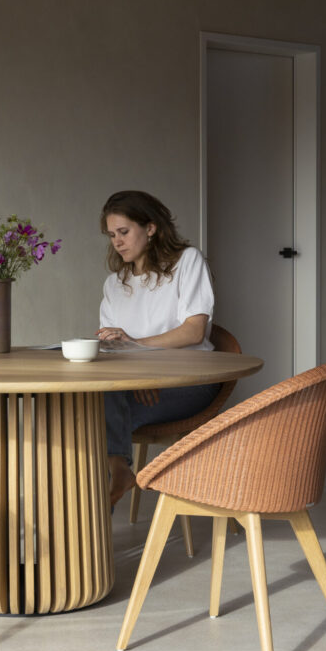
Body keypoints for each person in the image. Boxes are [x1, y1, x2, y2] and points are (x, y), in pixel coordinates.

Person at [96, 190, 219, 508]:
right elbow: (112, 347)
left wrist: (136, 349)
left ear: (150, 228)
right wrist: (138, 374)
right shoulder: (114, 284)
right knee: (81, 410)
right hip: (134, 385)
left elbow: (193, 332)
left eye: (124, 232)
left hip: (190, 381)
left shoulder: (187, 261)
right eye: (112, 235)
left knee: (90, 420)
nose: (117, 242)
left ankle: (114, 479)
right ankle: (113, 479)